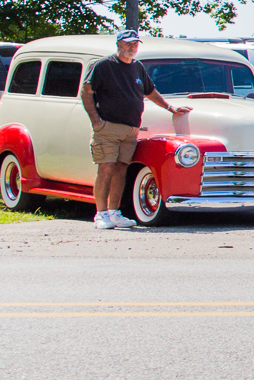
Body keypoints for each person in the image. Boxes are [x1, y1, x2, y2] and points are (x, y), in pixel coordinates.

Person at [81, 30, 191, 230]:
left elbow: (150, 91)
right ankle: (101, 213)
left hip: (131, 129)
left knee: (121, 169)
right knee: (105, 168)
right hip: (108, 127)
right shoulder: (104, 65)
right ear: (119, 44)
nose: (132, 47)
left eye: (135, 44)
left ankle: (115, 212)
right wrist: (96, 121)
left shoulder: (137, 67)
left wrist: (170, 108)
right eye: (128, 43)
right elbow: (86, 91)